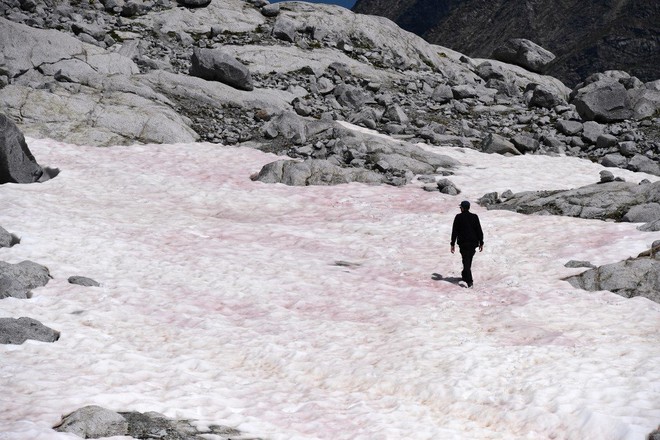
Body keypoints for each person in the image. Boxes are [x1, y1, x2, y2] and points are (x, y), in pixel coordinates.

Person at [450, 200, 484, 288]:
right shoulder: (474, 217)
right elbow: (479, 230)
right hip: (473, 243)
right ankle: (465, 275)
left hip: (463, 243)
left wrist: (452, 244)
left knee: (466, 261)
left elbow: (455, 231)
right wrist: (481, 242)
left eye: (460, 207)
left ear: (462, 208)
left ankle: (469, 281)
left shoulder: (458, 217)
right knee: (468, 260)